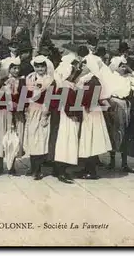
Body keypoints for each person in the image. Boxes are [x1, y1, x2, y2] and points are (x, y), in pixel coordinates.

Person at [76, 53, 112, 180]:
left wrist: (78, 98)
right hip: (89, 112)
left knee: (90, 141)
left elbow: (88, 99)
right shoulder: (86, 79)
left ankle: (91, 171)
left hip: (91, 113)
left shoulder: (94, 81)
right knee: (87, 141)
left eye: (85, 64)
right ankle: (87, 168)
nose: (83, 66)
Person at [51, 54, 83, 184]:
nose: (73, 75)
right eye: (72, 73)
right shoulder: (65, 87)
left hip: (66, 117)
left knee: (65, 144)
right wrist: (75, 115)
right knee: (65, 144)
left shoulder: (68, 85)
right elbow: (68, 105)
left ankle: (61, 170)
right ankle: (61, 172)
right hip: (67, 119)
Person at [23, 55, 55, 180]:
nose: (40, 69)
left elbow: (48, 98)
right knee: (31, 138)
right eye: (37, 66)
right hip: (31, 110)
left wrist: (45, 115)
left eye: (42, 66)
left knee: (40, 139)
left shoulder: (49, 80)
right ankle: (32, 167)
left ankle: (38, 169)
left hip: (42, 109)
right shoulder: (30, 78)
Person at [104, 56, 134, 173]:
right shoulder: (110, 78)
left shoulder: (127, 77)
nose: (124, 68)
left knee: (125, 132)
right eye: (121, 66)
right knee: (114, 131)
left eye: (124, 66)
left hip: (125, 104)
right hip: (114, 104)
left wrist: (130, 70)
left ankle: (124, 163)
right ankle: (112, 161)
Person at [0, 57, 25, 175]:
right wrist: (8, 103)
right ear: (9, 69)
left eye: (18, 68)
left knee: (15, 139)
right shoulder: (3, 81)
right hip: (4, 112)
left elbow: (25, 97)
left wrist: (18, 106)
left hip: (17, 113)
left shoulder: (22, 81)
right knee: (2, 138)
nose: (16, 71)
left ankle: (12, 165)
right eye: (13, 68)